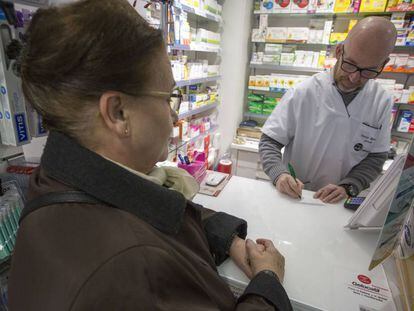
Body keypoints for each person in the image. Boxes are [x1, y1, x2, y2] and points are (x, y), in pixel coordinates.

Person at [8, 1, 292, 310]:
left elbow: (159, 209)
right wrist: (267, 282)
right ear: (118, 113)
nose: (173, 116)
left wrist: (229, 239)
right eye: (168, 97)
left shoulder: (61, 176)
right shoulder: (133, 269)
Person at [259, 17, 397, 204]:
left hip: (341, 202)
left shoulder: (381, 101)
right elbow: (269, 141)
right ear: (339, 51)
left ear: (383, 64)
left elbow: (376, 156)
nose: (354, 77)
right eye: (350, 64)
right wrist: (279, 174)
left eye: (368, 71)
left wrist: (350, 185)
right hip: (296, 196)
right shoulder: (304, 92)